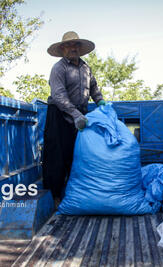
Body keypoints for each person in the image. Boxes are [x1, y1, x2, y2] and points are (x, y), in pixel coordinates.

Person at [42, 31, 106, 206]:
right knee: (57, 157)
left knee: (77, 154)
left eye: (76, 45)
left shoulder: (86, 68)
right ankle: (56, 197)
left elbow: (93, 88)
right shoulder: (59, 68)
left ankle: (77, 193)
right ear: (63, 49)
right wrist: (76, 114)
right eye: (69, 45)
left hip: (80, 116)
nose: (73, 48)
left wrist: (100, 101)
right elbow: (59, 96)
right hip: (59, 115)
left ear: (80, 48)